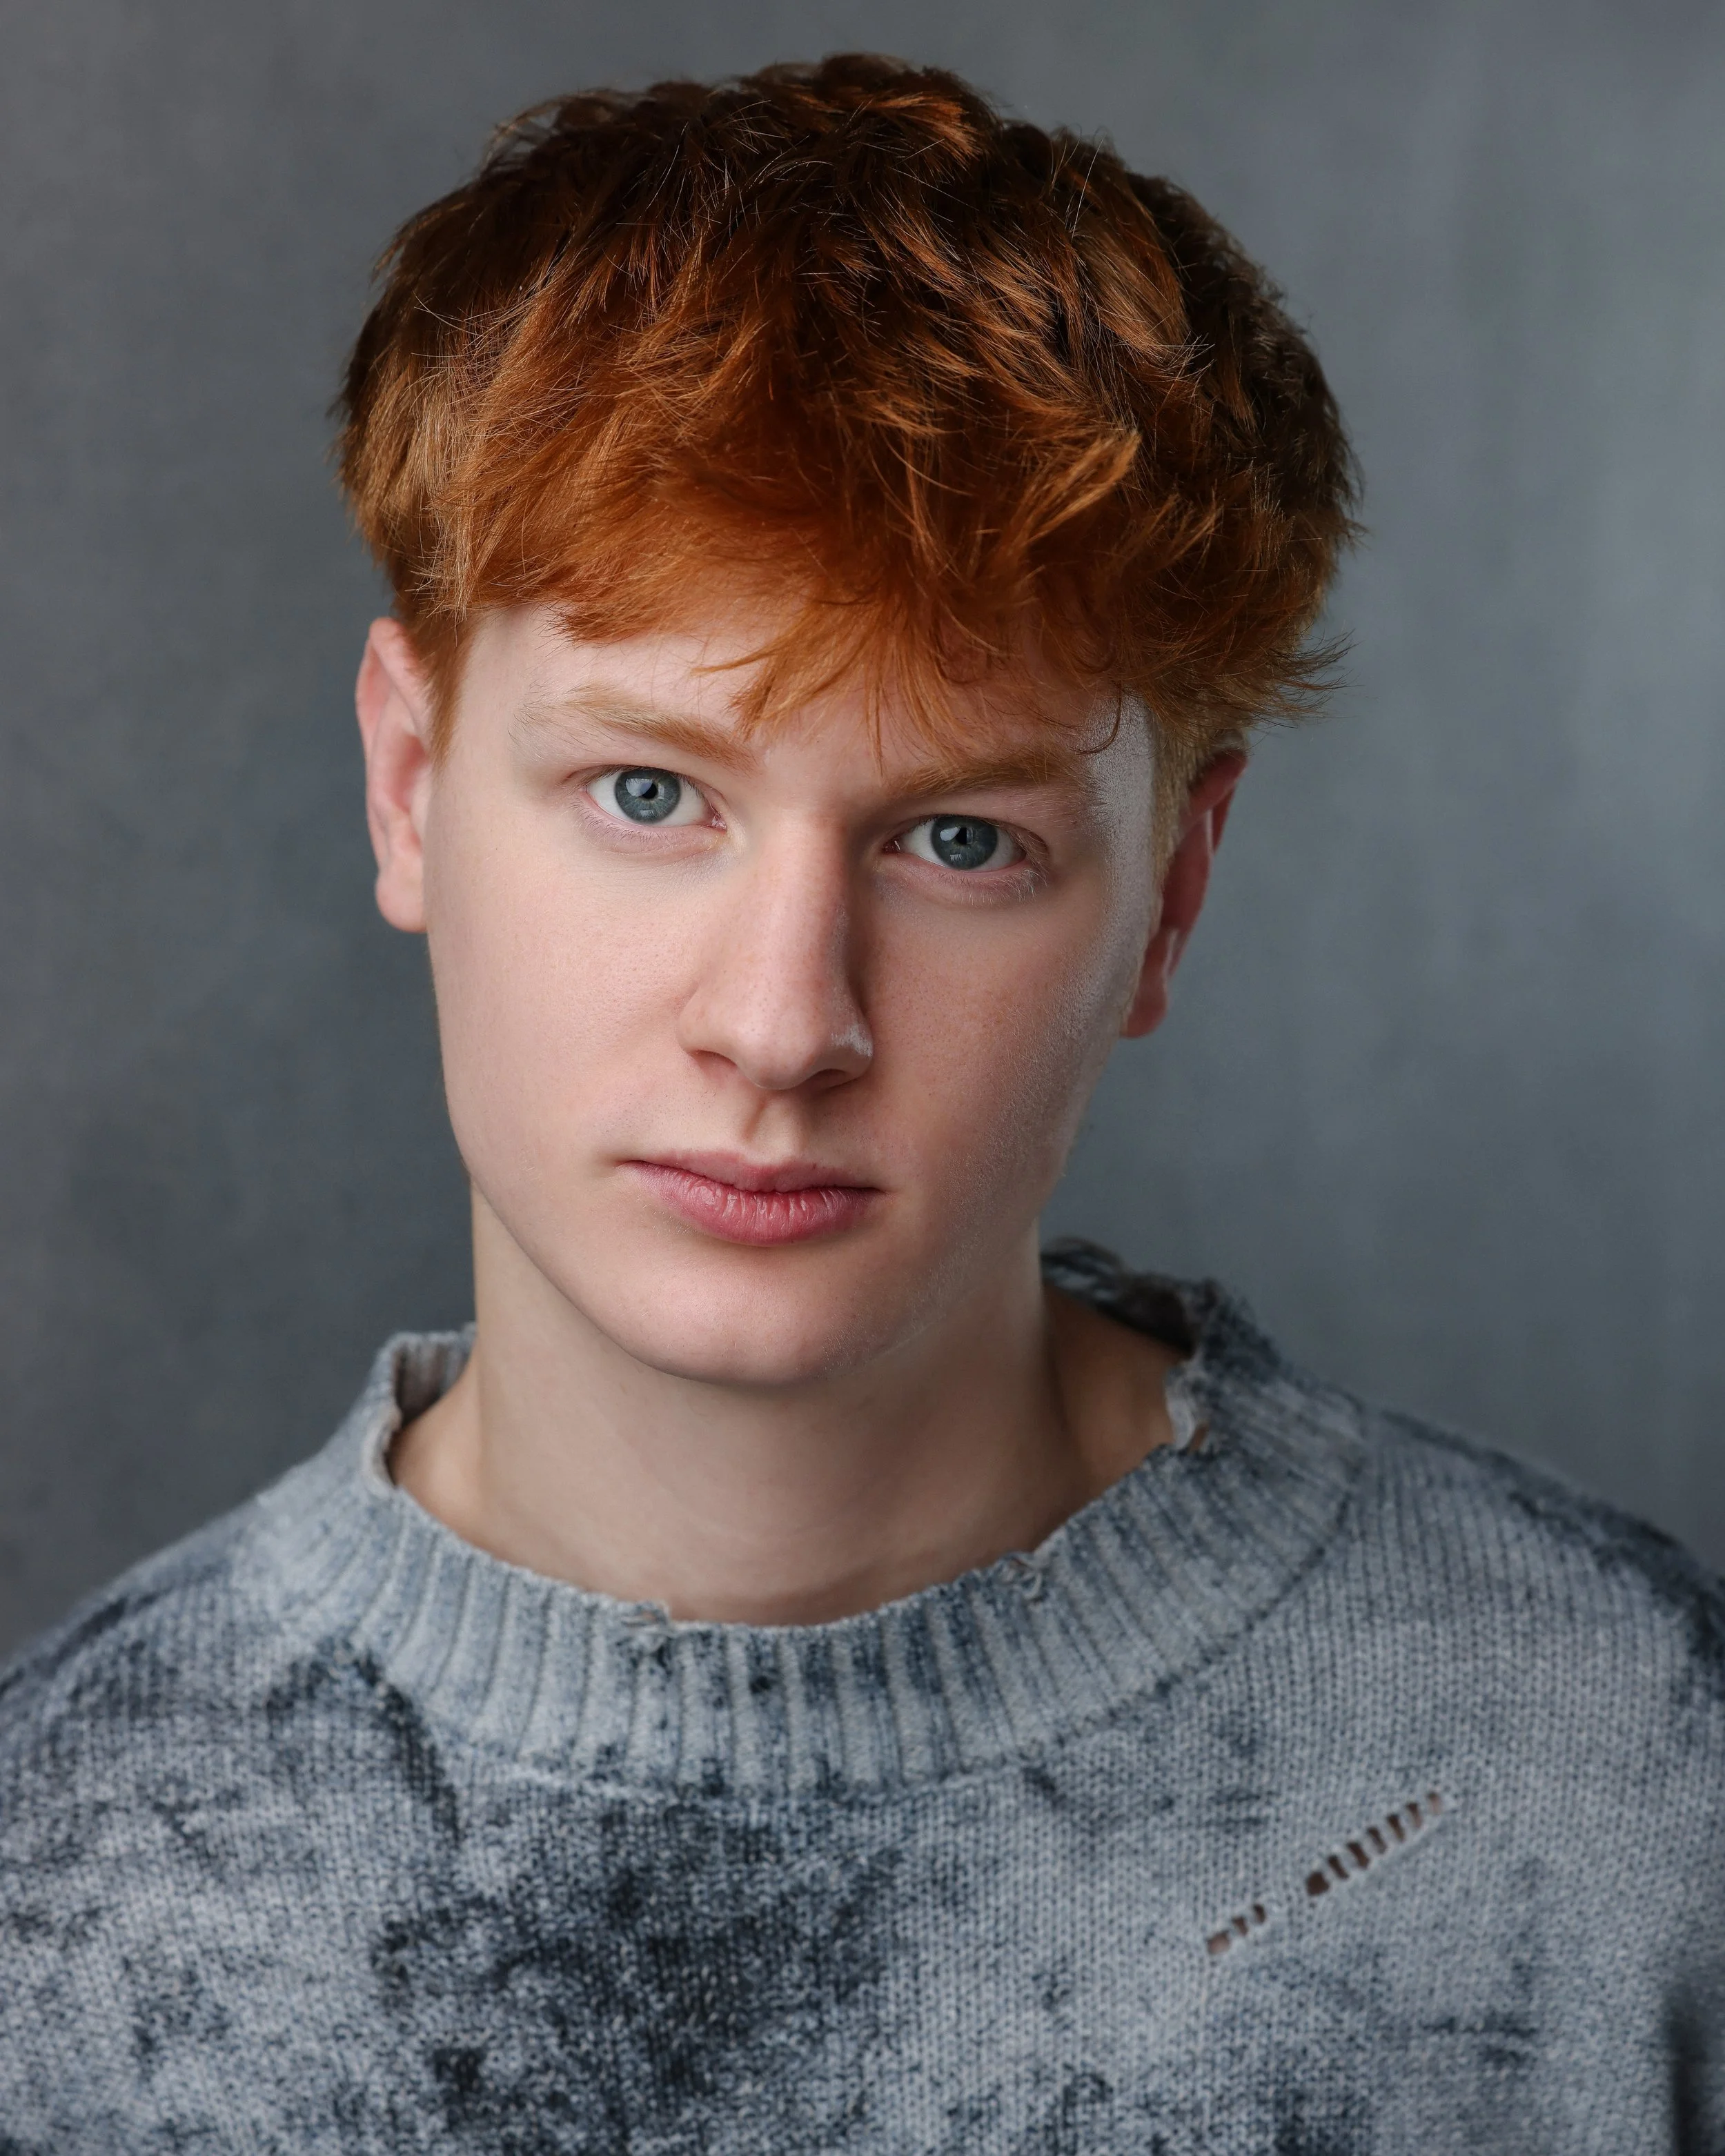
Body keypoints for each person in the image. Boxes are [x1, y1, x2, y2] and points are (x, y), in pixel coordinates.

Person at [1, 52, 1719, 2153]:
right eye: (649, 795)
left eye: (961, 842)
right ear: (409, 786)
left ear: (1171, 897)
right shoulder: (57, 1887)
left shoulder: (1633, 1770)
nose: (783, 1023)